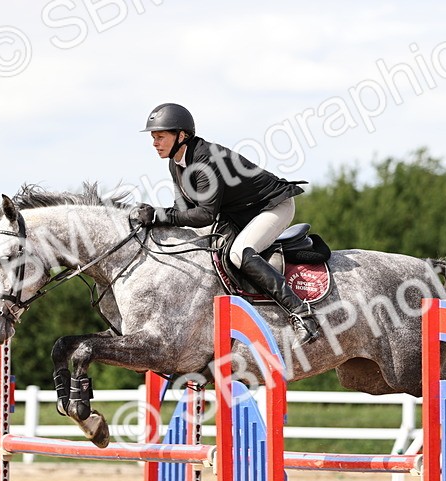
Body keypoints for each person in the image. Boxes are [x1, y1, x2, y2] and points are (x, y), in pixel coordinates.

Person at [133, 102, 321, 344]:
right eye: (153, 137)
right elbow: (182, 211)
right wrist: (154, 219)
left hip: (272, 207)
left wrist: (159, 215)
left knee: (239, 254)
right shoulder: (176, 162)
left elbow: (204, 215)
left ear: (181, 135)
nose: (155, 143)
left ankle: (301, 313)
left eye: (160, 137)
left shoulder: (205, 161)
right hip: (238, 214)